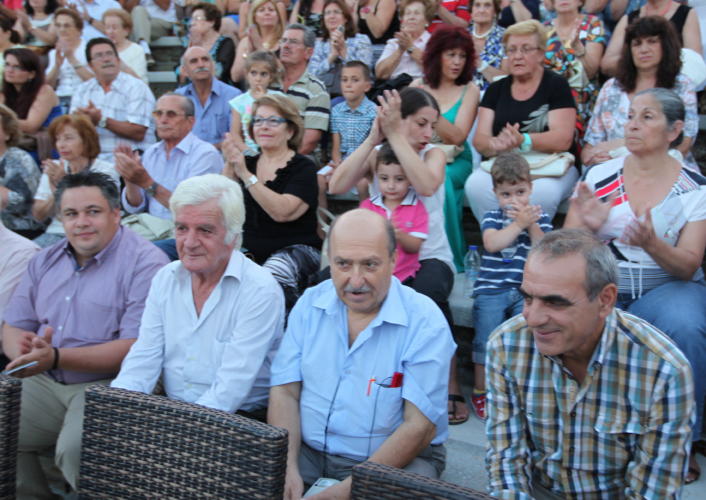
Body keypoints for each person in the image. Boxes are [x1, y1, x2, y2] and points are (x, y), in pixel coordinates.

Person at [486, 228, 695, 497]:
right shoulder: (506, 345)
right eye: (527, 298)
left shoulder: (664, 371)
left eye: (554, 303)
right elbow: (506, 463)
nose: (533, 318)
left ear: (605, 300)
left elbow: (653, 491)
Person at [565, 87, 706, 485]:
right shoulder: (600, 176)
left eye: (647, 117)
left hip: (667, 288)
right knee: (570, 311)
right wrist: (588, 230)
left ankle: (679, 444)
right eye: (630, 116)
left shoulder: (695, 188)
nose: (632, 125)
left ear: (674, 130)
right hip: (606, 286)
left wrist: (651, 243)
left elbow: (688, 265)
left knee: (687, 325)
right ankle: (585, 433)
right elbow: (568, 245)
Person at [268, 209, 456, 499]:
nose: (355, 281)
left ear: (393, 260)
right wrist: (287, 467)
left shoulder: (425, 321)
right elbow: (285, 391)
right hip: (307, 452)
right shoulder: (310, 304)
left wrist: (343, 492)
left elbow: (419, 427)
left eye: (370, 265)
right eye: (343, 264)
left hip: (392, 462)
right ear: (330, 260)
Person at [2, 170, 168, 497]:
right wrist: (23, 353)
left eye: (93, 211)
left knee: (80, 450)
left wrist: (55, 357)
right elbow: (13, 324)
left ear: (116, 213)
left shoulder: (146, 263)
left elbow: (135, 347)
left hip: (111, 381)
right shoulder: (45, 260)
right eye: (71, 214)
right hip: (44, 377)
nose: (81, 223)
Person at [329, 88, 464, 425]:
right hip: (384, 259)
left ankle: (449, 382)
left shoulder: (433, 154)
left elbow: (427, 185)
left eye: (432, 125)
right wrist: (375, 138)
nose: (428, 132)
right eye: (420, 123)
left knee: (430, 292)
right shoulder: (379, 154)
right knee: (328, 284)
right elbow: (336, 185)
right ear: (398, 120)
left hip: (429, 254)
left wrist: (396, 136)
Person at [111, 174, 285, 420]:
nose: (189, 243)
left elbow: (231, 388)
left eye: (205, 230)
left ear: (233, 236)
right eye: (182, 228)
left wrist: (180, 427)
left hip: (242, 419)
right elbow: (144, 357)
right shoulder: (166, 278)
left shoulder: (259, 289)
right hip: (174, 409)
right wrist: (116, 408)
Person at [465, 19, 578, 224]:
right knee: (476, 186)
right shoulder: (496, 89)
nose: (517, 56)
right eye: (512, 50)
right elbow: (480, 140)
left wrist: (523, 140)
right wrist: (495, 144)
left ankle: (534, 241)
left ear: (541, 53)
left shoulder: (556, 85)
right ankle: (496, 238)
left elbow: (563, 139)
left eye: (526, 49)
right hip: (505, 164)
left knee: (542, 193)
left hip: (549, 166)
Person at [471, 152, 551, 421]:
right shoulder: (492, 217)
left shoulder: (539, 217)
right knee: (485, 341)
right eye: (506, 194)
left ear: (531, 189)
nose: (514, 200)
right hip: (491, 290)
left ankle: (518, 390)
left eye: (520, 192)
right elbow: (492, 244)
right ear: (495, 193)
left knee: (523, 341)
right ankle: (482, 390)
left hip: (524, 293)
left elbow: (544, 251)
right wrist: (518, 224)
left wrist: (531, 225)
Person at [582, 16, 698, 170]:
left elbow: (684, 145)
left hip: (666, 171)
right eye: (637, 43)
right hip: (612, 170)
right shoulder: (611, 87)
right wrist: (594, 157)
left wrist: (621, 147)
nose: (644, 49)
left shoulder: (682, 86)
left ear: (666, 46)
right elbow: (589, 149)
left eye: (652, 41)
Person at [222, 94, 321, 265]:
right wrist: (230, 163)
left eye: (273, 121)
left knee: (270, 272)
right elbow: (221, 204)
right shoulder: (247, 163)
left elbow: (282, 212)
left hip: (295, 251)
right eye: (258, 121)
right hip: (248, 251)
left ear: (290, 131)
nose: (264, 126)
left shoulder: (304, 167)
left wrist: (245, 175)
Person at [412, 25, 479, 272]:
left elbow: (458, 137)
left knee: (442, 179)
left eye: (462, 56)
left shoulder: (470, 89)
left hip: (455, 160)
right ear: (436, 55)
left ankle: (450, 259)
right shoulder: (417, 85)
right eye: (451, 55)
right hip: (420, 155)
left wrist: (428, 109)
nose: (457, 62)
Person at [116, 93, 224, 224]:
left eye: (171, 114)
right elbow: (135, 208)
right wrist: (130, 178)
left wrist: (147, 183)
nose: (163, 120)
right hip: (152, 227)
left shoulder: (205, 155)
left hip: (187, 229)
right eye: (158, 114)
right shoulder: (151, 152)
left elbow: (192, 211)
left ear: (190, 122)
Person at [32, 114, 118, 248]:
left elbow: (99, 209)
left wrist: (65, 182)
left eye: (68, 138)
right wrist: (56, 192)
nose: (61, 145)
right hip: (57, 232)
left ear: (86, 140)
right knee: (29, 254)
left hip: (92, 232)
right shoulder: (54, 168)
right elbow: (38, 215)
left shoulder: (106, 170)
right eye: (58, 139)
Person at [70, 37, 155, 162]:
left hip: (131, 159)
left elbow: (138, 132)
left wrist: (101, 120)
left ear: (118, 59)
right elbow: (73, 128)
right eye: (99, 56)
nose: (106, 59)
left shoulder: (136, 87)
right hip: (92, 159)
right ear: (90, 65)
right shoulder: (82, 90)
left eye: (110, 54)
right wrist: (85, 121)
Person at [360, 143, 428, 283]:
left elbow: (415, 247)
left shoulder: (417, 208)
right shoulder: (367, 206)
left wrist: (398, 235)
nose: (391, 186)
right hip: (370, 276)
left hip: (404, 277)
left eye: (399, 179)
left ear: (410, 179)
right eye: (384, 178)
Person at [542, 0, 605, 134]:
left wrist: (578, 48)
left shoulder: (592, 23)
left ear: (580, 2)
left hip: (582, 98)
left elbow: (591, 72)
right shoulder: (543, 29)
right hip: (548, 98)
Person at [601, 0, 703, 76]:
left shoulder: (686, 14)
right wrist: (641, 63)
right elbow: (607, 64)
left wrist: (651, 62)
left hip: (673, 85)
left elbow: (694, 62)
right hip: (636, 86)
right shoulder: (629, 18)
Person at [276, 24, 330, 156]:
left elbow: (309, 142)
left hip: (299, 159)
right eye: (284, 40)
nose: (286, 46)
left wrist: (279, 161)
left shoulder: (316, 90)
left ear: (308, 52)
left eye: (293, 42)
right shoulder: (267, 81)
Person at [175, 46, 241, 149]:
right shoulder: (178, 98)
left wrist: (203, 151)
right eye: (194, 61)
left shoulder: (233, 96)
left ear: (213, 66)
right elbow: (175, 136)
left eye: (205, 59)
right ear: (184, 71)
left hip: (223, 157)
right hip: (187, 157)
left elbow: (236, 138)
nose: (201, 65)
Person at [307, 0, 372, 94]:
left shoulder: (361, 40)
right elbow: (311, 77)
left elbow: (366, 74)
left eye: (336, 12)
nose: (331, 16)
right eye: (327, 13)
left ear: (345, 18)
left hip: (354, 95)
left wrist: (344, 53)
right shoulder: (319, 44)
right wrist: (331, 57)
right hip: (323, 94)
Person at [229, 50, 286, 155]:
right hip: (249, 151)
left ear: (271, 77)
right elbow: (235, 134)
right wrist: (248, 152)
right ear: (247, 74)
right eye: (253, 73)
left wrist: (264, 100)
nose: (258, 79)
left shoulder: (279, 98)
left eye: (263, 74)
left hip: (275, 149)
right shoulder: (238, 102)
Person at [0, 104, 43, 237]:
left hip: (21, 229)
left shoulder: (19, 158)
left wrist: (4, 195)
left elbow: (25, 202)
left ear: (8, 134)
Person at [1, 48, 61, 135]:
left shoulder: (44, 91)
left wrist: (3, 121)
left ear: (31, 74)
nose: (9, 70)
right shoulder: (4, 93)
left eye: (17, 67)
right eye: (7, 64)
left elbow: (30, 126)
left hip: (45, 140)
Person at [46, 8, 92, 114]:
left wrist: (72, 59)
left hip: (85, 97)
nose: (62, 30)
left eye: (67, 26)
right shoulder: (53, 53)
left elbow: (95, 81)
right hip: (60, 97)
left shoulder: (89, 49)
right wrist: (56, 66)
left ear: (78, 29)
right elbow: (48, 85)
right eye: (58, 25)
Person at [375, 0, 435, 81]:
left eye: (417, 13)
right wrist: (399, 50)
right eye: (408, 14)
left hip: (421, 85)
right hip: (395, 85)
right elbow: (380, 74)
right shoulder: (394, 43)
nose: (411, 17)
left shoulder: (433, 41)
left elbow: (434, 69)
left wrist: (410, 47)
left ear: (427, 21)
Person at [330, 60, 376, 165]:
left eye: (355, 80)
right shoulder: (336, 110)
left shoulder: (374, 112)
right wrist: (338, 166)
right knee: (320, 174)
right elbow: (336, 147)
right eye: (344, 80)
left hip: (364, 163)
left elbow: (373, 148)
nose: (348, 85)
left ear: (367, 86)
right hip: (341, 162)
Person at [231, 0, 285, 84]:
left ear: (278, 16)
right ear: (254, 17)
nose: (267, 13)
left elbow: (284, 73)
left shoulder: (285, 41)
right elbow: (236, 77)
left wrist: (260, 48)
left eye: (271, 10)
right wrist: (248, 53)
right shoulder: (246, 41)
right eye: (261, 10)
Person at [183, 3, 234, 85]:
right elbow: (180, 73)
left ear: (211, 22)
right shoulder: (190, 42)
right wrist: (193, 46)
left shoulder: (226, 43)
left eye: (197, 19)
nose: (192, 23)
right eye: (192, 19)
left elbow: (219, 72)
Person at [102, 8, 148, 84]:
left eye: (114, 28)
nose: (110, 31)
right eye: (107, 27)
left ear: (126, 30)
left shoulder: (136, 50)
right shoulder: (100, 49)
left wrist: (122, 66)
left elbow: (141, 82)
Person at [469, 0, 507, 93]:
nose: (481, 10)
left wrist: (480, 64)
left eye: (487, 5)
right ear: (471, 10)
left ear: (495, 11)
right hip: (464, 97)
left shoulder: (506, 38)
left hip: (493, 97)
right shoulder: (461, 37)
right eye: (477, 5)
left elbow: (506, 80)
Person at [129, 0, 179, 66]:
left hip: (163, 22)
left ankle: (140, 54)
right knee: (138, 10)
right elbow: (129, 10)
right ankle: (145, 51)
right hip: (142, 24)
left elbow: (165, 6)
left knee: (134, 29)